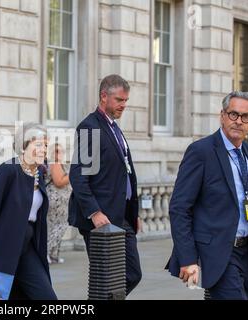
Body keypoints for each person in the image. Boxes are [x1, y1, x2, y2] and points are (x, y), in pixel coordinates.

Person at [166, 91, 248, 300]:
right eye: (233, 114)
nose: (239, 121)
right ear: (222, 115)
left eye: (245, 117)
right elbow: (179, 207)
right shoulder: (201, 152)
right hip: (220, 253)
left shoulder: (247, 152)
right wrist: (188, 258)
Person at [0, 122, 58, 300]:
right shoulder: (8, 171)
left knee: (47, 298)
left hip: (27, 251)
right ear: (24, 145)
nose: (43, 149)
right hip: (1, 252)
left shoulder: (38, 174)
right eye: (38, 144)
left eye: (46, 145)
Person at [68, 74, 142, 296]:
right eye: (120, 100)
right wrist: (94, 212)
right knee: (108, 279)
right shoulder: (90, 127)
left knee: (131, 274)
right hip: (101, 220)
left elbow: (124, 172)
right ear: (103, 96)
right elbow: (78, 176)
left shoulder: (113, 127)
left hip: (121, 216)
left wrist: (133, 212)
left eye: (126, 100)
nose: (124, 105)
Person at [45, 143, 72, 264]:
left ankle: (53, 255)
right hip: (56, 201)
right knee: (55, 228)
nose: (59, 154)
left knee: (60, 227)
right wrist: (73, 175)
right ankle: (46, 252)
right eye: (56, 151)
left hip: (62, 202)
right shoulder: (54, 163)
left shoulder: (60, 163)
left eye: (60, 151)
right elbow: (58, 181)